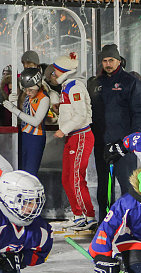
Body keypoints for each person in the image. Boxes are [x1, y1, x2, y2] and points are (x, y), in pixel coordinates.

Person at [90, 44, 141, 222]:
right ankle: (105, 223)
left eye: (111, 60)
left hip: (124, 144)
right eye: (105, 61)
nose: (107, 64)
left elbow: (139, 113)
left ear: (119, 60)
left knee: (128, 185)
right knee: (104, 186)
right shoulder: (95, 83)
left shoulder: (130, 82)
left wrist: (131, 141)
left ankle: (130, 222)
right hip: (101, 143)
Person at [49, 53, 96, 232]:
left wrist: (64, 129)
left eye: (55, 72)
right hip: (73, 136)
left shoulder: (75, 87)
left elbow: (81, 115)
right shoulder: (67, 87)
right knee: (67, 177)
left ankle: (88, 216)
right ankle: (78, 214)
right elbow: (73, 110)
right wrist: (60, 109)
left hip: (80, 135)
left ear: (63, 71)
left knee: (76, 177)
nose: (53, 75)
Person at [3, 67, 49, 176]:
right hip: (24, 135)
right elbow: (25, 115)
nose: (28, 92)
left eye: (30, 90)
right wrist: (13, 103)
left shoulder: (44, 98)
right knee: (22, 171)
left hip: (36, 137)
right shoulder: (28, 96)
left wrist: (15, 110)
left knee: (30, 173)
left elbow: (36, 121)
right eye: (25, 89)